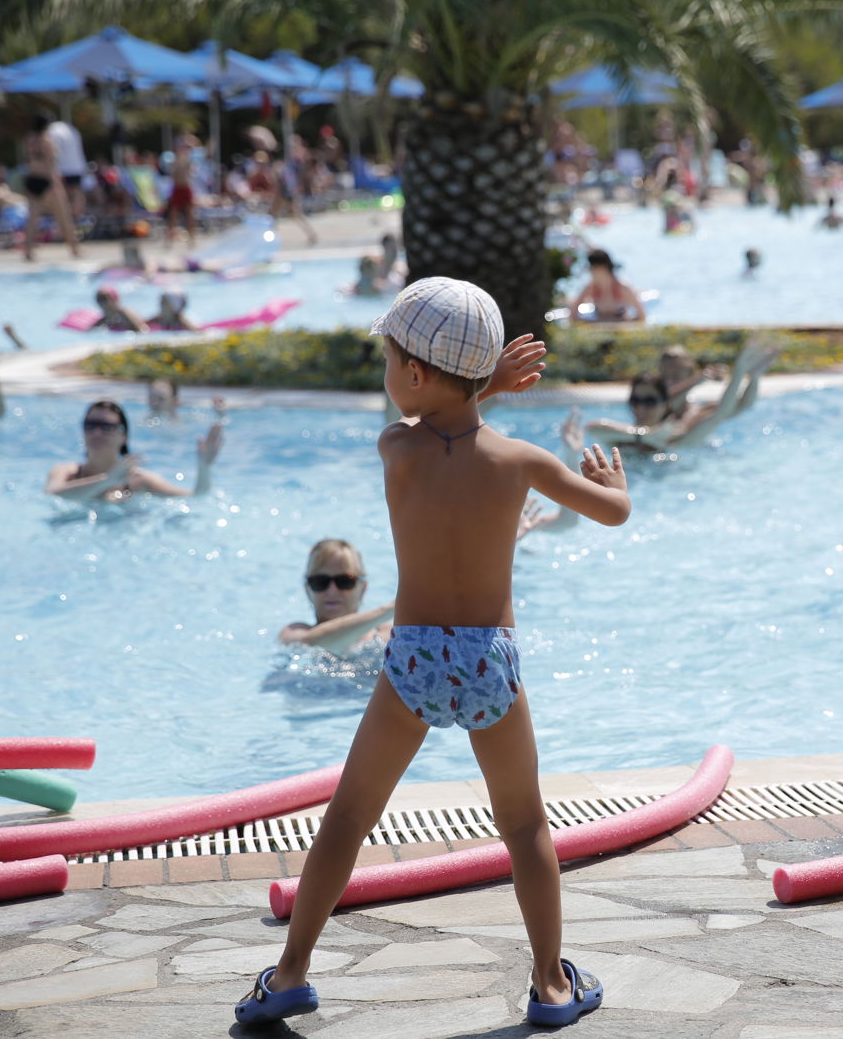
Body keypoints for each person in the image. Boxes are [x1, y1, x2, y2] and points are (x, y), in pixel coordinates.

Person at [235, 277, 628, 1028]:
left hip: (412, 660)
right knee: (524, 825)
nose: (386, 375)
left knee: (349, 815)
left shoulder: (397, 449)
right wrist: (613, 482)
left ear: (414, 372)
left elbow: (422, 421)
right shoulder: (521, 462)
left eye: (390, 361)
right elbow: (612, 513)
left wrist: (485, 386)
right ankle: (550, 984)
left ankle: (289, 974)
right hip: (489, 661)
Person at [584, 335, 779, 452]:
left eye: (649, 401)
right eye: (635, 401)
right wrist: (646, 436)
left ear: (664, 405)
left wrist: (746, 374)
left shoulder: (677, 435)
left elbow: (728, 410)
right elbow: (592, 427)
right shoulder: (622, 437)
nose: (641, 407)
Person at [44, 400, 223, 502]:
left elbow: (196, 497)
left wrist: (204, 467)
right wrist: (107, 481)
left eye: (107, 427)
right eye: (90, 425)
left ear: (124, 436)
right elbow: (51, 494)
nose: (97, 433)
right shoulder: (66, 472)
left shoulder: (139, 481)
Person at [279, 539, 396, 655]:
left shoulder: (388, 635)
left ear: (363, 589)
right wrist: (390, 609)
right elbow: (312, 642)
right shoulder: (293, 633)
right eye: (320, 582)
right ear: (307, 590)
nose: (332, 591)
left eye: (344, 581)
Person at [22, 115, 80, 262]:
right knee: (64, 216)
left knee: (33, 218)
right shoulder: (46, 140)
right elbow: (51, 163)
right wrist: (56, 183)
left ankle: (28, 251)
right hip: (47, 180)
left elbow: (29, 161)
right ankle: (74, 248)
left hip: (32, 179)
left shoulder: (29, 140)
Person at [570, 249, 646, 323]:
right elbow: (572, 315)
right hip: (599, 328)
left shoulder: (622, 288)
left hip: (620, 328)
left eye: (592, 267)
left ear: (602, 267)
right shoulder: (590, 288)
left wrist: (623, 324)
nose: (590, 271)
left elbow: (642, 316)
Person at [658, 345, 727, 422]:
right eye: (666, 357)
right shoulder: (655, 386)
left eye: (674, 357)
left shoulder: (693, 377)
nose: (669, 361)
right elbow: (666, 398)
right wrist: (697, 379)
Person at [45, 116, 88, 221]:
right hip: (77, 167)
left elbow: (54, 151)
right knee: (76, 193)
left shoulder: (52, 130)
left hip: (63, 168)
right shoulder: (73, 129)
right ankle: (78, 217)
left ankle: (67, 220)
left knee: (62, 196)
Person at [164, 134, 198, 247]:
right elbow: (172, 172)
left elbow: (190, 173)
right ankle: (169, 240)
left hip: (186, 188)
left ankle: (192, 239)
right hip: (177, 188)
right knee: (173, 215)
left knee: (189, 215)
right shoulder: (174, 159)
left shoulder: (190, 160)